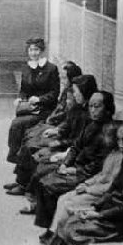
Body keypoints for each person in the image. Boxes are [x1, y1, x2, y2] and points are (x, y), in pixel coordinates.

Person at [28, 90, 115, 229]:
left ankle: (51, 229)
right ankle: (48, 225)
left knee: (50, 185)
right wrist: (66, 162)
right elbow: (75, 146)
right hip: (76, 167)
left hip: (87, 175)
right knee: (44, 178)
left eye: (97, 107)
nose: (92, 110)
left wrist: (74, 170)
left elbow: (99, 164)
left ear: (108, 109)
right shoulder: (91, 124)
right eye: (91, 106)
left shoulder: (108, 133)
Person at [7, 74, 97, 196]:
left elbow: (77, 141)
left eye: (77, 92)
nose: (74, 95)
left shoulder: (89, 115)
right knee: (30, 140)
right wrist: (58, 131)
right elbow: (68, 125)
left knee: (32, 148)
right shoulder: (78, 108)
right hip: (66, 140)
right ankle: (21, 181)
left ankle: (25, 185)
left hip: (68, 147)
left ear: (85, 92)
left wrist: (59, 142)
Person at [40, 121, 122, 245]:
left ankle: (57, 239)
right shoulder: (111, 153)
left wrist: (88, 189)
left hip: (100, 195)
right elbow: (101, 174)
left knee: (69, 204)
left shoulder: (120, 158)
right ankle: (53, 231)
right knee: (63, 198)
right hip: (93, 188)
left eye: (108, 136)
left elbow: (110, 185)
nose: (105, 139)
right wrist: (87, 184)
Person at [6, 37, 60, 163]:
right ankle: (17, 153)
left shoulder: (51, 69)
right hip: (30, 107)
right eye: (31, 50)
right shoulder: (27, 68)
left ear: (41, 51)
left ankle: (15, 155)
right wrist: (20, 98)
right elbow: (24, 89)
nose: (33, 53)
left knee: (17, 124)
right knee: (16, 122)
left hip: (45, 109)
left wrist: (39, 99)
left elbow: (54, 93)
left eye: (36, 50)